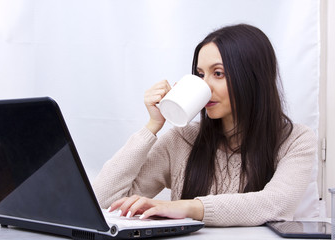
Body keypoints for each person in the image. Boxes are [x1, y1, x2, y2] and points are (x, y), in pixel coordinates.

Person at [93, 24, 317, 227]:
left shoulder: (296, 139)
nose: (205, 86)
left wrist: (186, 207)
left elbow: (275, 205)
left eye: (218, 73)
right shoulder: (181, 139)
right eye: (200, 74)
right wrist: (152, 126)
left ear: (252, 78)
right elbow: (104, 201)